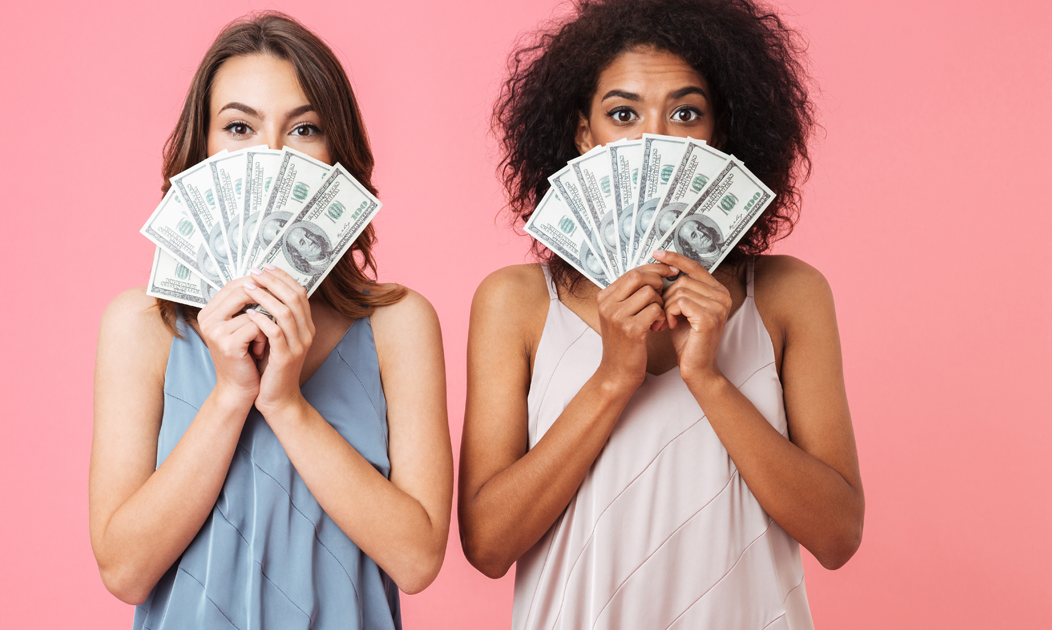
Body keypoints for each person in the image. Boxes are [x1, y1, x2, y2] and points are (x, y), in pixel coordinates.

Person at [459, 1, 864, 629]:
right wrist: (613, 377)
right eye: (623, 114)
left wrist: (709, 378)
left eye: (685, 112)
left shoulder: (788, 294)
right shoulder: (514, 301)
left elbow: (838, 536)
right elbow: (487, 547)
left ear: (721, 133)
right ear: (582, 133)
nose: (656, 140)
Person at [91, 13, 453, 629]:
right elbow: (125, 571)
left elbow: (417, 560)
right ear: (200, 150)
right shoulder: (142, 325)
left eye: (305, 128)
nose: (272, 157)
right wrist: (232, 394)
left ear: (337, 155)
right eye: (239, 127)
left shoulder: (399, 323)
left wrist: (286, 403)